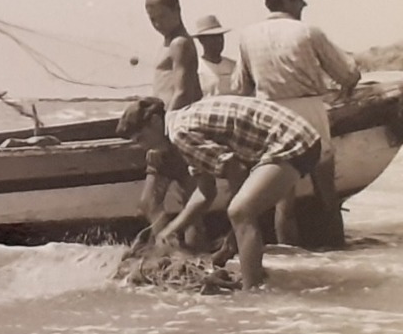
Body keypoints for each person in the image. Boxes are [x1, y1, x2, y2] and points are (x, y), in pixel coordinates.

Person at [117, 94, 322, 290]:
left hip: (291, 141)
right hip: (294, 136)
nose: (143, 147)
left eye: (141, 138)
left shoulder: (180, 133)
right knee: (241, 212)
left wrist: (233, 236)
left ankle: (252, 291)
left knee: (240, 212)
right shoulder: (182, 127)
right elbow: (205, 193)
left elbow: (237, 172)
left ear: (154, 121)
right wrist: (171, 230)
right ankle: (254, 277)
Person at [232, 0, 361, 247]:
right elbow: (347, 75)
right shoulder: (307, 32)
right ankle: (339, 253)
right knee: (328, 195)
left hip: (273, 119)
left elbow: (241, 87)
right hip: (309, 113)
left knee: (284, 202)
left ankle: (291, 261)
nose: (304, 3)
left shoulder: (247, 36)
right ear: (288, 1)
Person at [144, 0, 203, 112]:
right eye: (153, 19)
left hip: (176, 118)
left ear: (177, 10)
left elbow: (182, 93)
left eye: (163, 16)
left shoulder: (179, 44)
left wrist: (166, 126)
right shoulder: (167, 43)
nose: (158, 24)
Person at [188, 14, 242, 97]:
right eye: (213, 38)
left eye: (221, 36)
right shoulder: (196, 69)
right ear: (202, 40)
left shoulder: (234, 66)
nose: (219, 41)